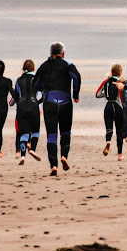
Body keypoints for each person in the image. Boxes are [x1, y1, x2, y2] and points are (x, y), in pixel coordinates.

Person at [34, 42, 81, 176]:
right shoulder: (68, 64)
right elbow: (76, 77)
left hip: (49, 102)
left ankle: (54, 166)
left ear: (50, 53)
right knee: (66, 131)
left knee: (52, 135)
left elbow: (35, 84)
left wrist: (44, 89)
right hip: (66, 101)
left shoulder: (44, 66)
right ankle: (64, 156)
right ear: (63, 53)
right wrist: (75, 94)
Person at [11, 59, 42, 165]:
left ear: (23, 69)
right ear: (34, 68)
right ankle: (33, 149)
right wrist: (38, 102)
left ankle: (23, 156)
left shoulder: (18, 80)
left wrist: (12, 103)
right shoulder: (37, 79)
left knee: (23, 133)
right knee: (35, 131)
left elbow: (15, 96)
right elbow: (44, 93)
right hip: (33, 106)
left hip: (22, 107)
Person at [96, 64, 127, 161]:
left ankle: (108, 142)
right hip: (118, 108)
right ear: (120, 73)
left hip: (108, 107)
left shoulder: (105, 82)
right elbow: (122, 99)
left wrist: (105, 94)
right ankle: (120, 154)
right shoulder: (119, 83)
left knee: (109, 128)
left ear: (111, 72)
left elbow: (97, 94)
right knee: (119, 131)